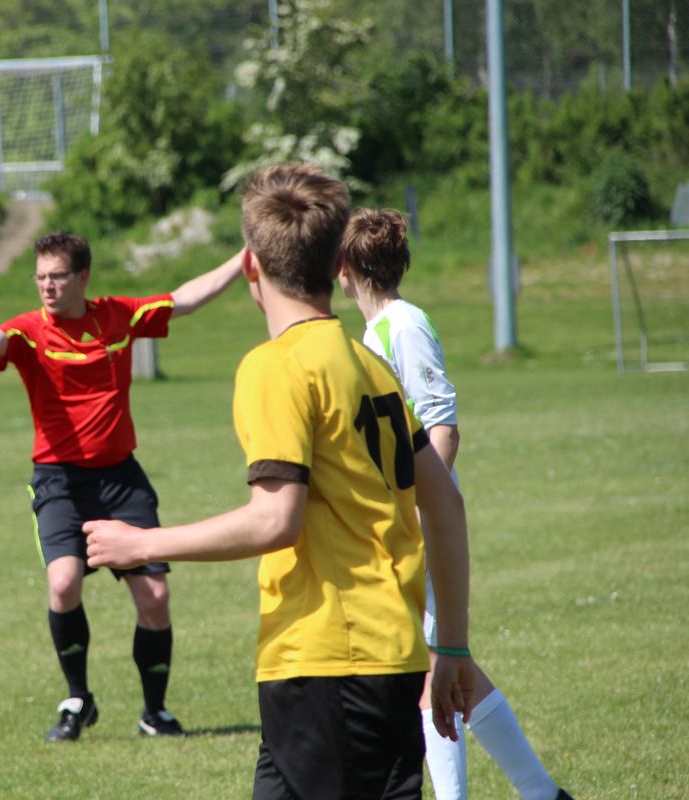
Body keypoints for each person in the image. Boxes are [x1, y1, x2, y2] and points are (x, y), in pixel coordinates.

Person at [83, 163, 478, 800]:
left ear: (251, 266)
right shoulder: (368, 364)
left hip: (330, 661)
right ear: (336, 263)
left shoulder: (276, 366)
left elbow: (275, 519)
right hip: (381, 655)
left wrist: (142, 543)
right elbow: (446, 502)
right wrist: (452, 646)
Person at [0, 231, 244, 741]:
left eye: (57, 276)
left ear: (83, 277)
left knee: (155, 596)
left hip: (121, 478)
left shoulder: (117, 316)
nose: (47, 286)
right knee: (63, 582)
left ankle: (154, 713)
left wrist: (244, 258)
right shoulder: (30, 331)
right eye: (40, 277)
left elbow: (185, 298)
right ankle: (78, 700)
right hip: (58, 480)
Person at [337, 208, 573, 800]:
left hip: (421, 521)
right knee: (446, 661)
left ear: (346, 269)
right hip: (403, 520)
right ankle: (543, 793)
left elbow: (442, 425)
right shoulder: (377, 331)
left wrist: (422, 511)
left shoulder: (403, 325)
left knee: (429, 662)